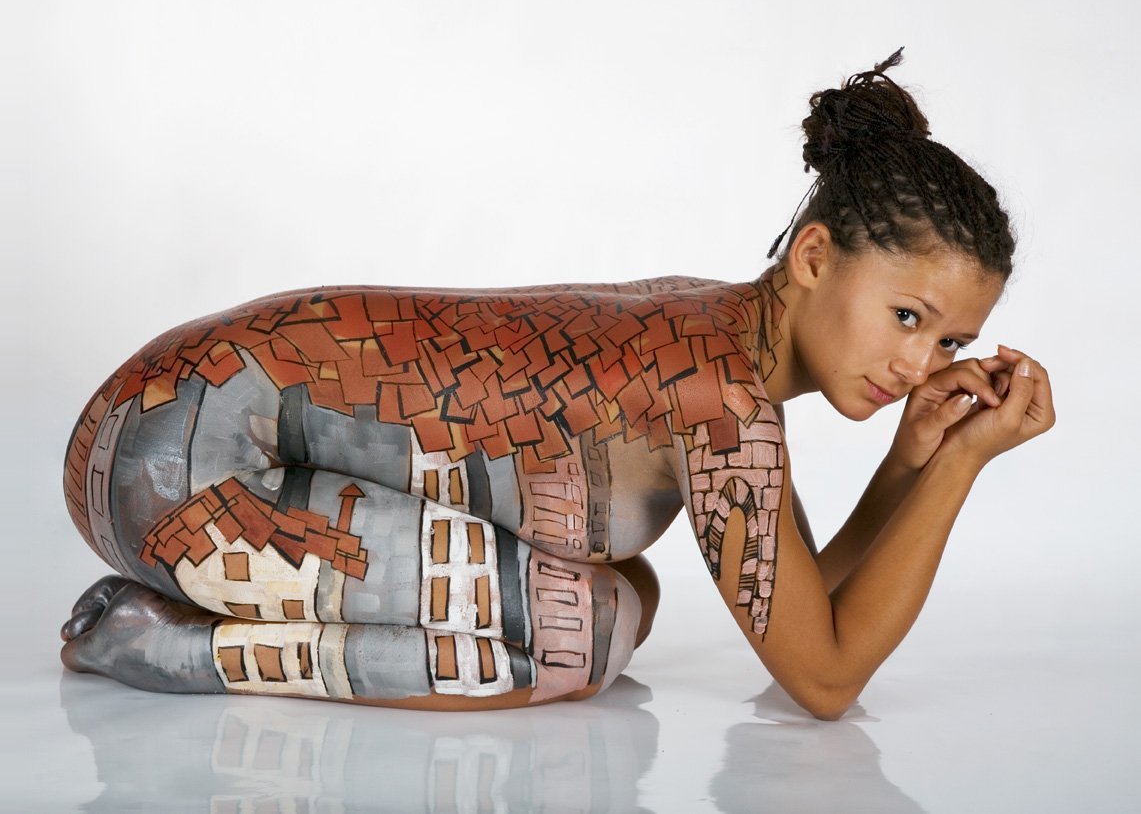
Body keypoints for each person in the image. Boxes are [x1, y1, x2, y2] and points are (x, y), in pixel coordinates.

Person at [59, 50, 1054, 720]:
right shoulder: (720, 400)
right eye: (907, 317)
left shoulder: (714, 337)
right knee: (583, 634)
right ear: (813, 258)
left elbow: (801, 605)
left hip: (152, 429)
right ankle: (170, 649)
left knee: (618, 592)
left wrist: (909, 463)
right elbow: (824, 677)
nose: (921, 365)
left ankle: (181, 609)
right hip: (175, 467)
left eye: (952, 341)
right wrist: (959, 467)